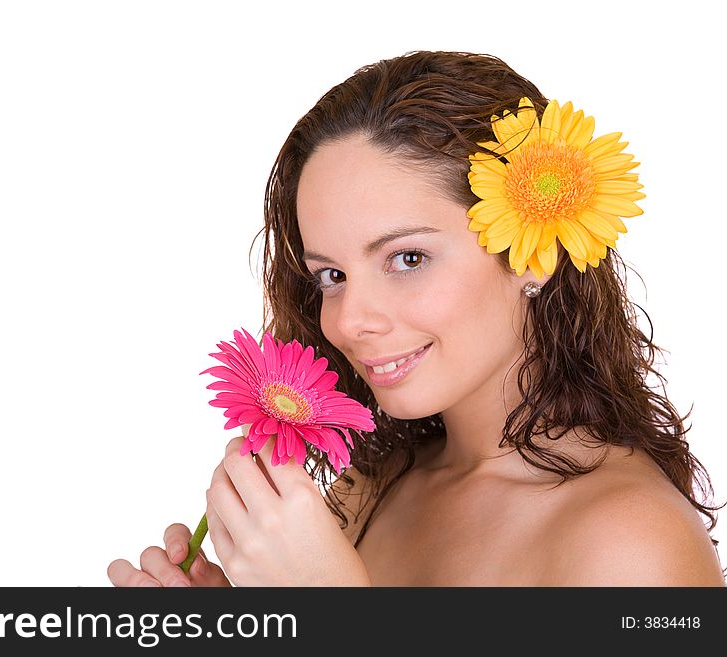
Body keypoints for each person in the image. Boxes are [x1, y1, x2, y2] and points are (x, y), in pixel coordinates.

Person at [108, 50, 725, 586]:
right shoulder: (376, 485)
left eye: (407, 258)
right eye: (331, 276)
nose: (349, 320)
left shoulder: (634, 543)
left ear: (534, 255)